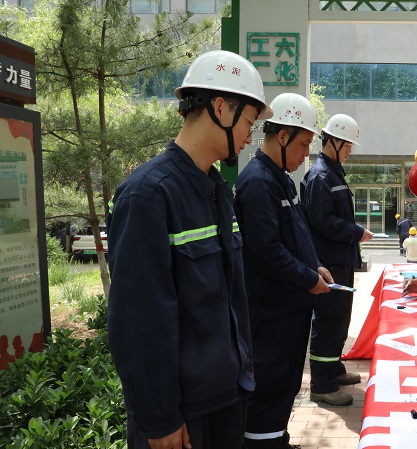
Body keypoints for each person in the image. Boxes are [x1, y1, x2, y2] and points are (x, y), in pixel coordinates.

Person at [106, 50, 270, 449]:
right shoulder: (148, 196)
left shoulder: (217, 191)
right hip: (181, 420)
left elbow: (231, 298)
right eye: (250, 121)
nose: (250, 137)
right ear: (220, 108)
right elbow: (137, 321)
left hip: (226, 399)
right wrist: (159, 419)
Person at [234, 92, 332, 449]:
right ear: (283, 135)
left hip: (288, 311)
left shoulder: (281, 179)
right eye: (304, 143)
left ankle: (277, 439)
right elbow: (267, 251)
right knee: (270, 388)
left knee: (286, 384)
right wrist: (308, 279)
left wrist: (315, 266)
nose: (306, 153)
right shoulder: (257, 182)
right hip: (270, 316)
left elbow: (294, 237)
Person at [301, 113, 374, 407]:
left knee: (341, 321)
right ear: (333, 141)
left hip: (340, 261)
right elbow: (321, 220)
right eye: (347, 145)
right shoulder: (320, 175)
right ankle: (322, 384)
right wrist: (356, 231)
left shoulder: (332, 172)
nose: (350, 151)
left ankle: (334, 369)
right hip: (329, 264)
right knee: (329, 322)